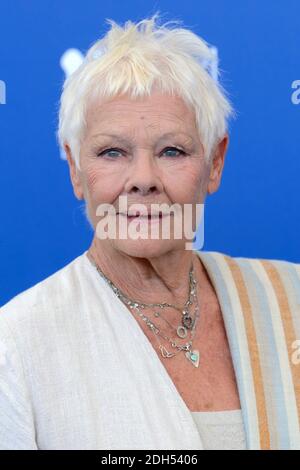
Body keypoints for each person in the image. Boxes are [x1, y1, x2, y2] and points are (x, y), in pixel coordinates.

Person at [0, 13, 299, 450]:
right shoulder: (16, 346)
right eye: (112, 152)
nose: (143, 178)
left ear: (215, 163)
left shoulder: (291, 298)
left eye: (172, 150)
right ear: (76, 170)